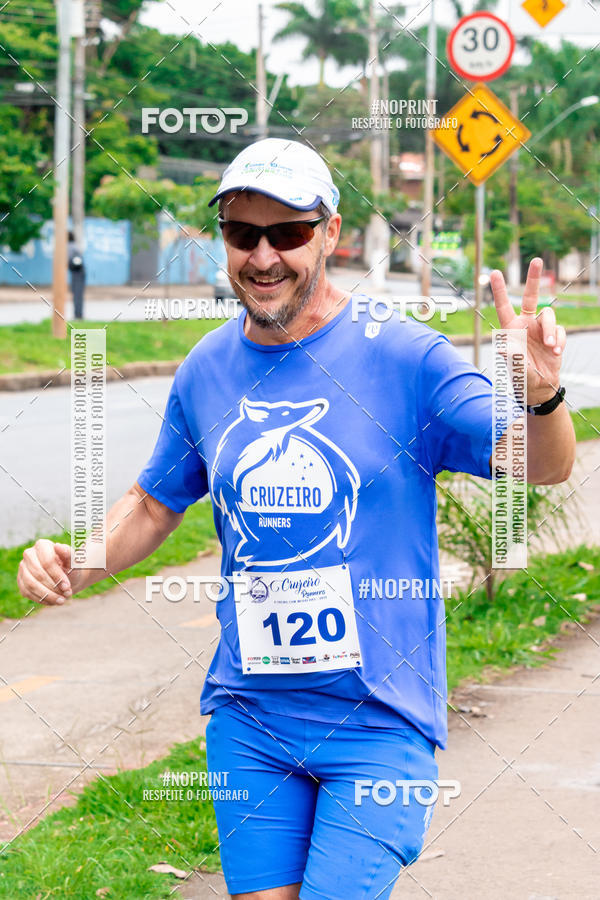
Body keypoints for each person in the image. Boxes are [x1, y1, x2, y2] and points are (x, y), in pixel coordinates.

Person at [18, 139, 575, 899]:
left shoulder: (406, 355)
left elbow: (539, 465)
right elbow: (154, 502)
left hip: (380, 719)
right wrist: (77, 560)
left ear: (330, 233)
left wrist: (541, 397)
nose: (263, 256)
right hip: (251, 716)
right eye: (242, 233)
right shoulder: (206, 367)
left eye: (287, 232)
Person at [68, 230, 86, 320]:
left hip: (77, 273)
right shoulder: (74, 246)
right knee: (77, 294)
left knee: (77, 294)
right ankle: (78, 314)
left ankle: (78, 315)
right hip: (78, 272)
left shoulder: (70, 247)